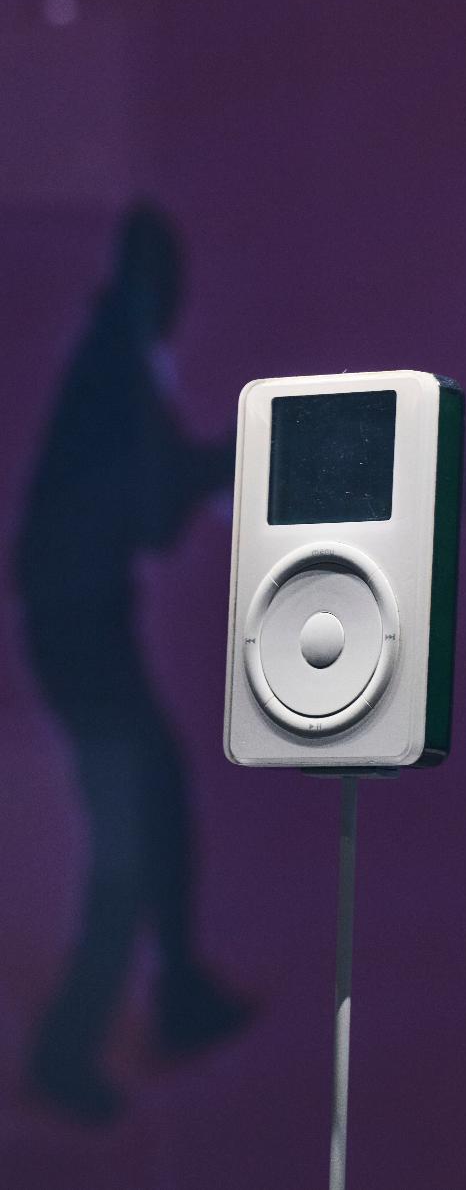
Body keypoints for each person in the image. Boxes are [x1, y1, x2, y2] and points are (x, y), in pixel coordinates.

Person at [16, 201, 250, 1123]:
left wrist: (216, 466)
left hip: (77, 625)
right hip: (80, 629)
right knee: (131, 829)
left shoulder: (114, 357)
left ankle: (176, 993)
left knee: (152, 802)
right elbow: (153, 511)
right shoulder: (119, 363)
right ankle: (67, 1049)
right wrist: (232, 460)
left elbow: (145, 505)